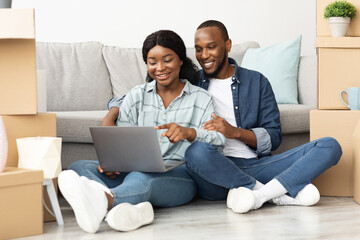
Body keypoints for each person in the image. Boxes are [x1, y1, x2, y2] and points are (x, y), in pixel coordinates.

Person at [104, 20, 343, 214]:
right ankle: (277, 193)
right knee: (195, 150)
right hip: (212, 168)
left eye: (211, 47)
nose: (204, 55)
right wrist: (112, 112)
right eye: (198, 49)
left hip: (256, 164)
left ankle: (261, 195)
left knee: (329, 146)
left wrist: (233, 132)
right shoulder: (193, 79)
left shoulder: (257, 81)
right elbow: (139, 93)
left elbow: (274, 136)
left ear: (227, 45)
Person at [58, 29, 225, 234]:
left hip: (179, 175)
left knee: (142, 179)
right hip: (132, 171)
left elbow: (219, 140)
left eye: (167, 60)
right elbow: (123, 140)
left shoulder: (201, 98)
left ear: (181, 60)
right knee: (78, 166)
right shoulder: (136, 96)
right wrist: (113, 164)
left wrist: (190, 132)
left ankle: (104, 201)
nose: (160, 68)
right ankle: (136, 209)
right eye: (152, 62)